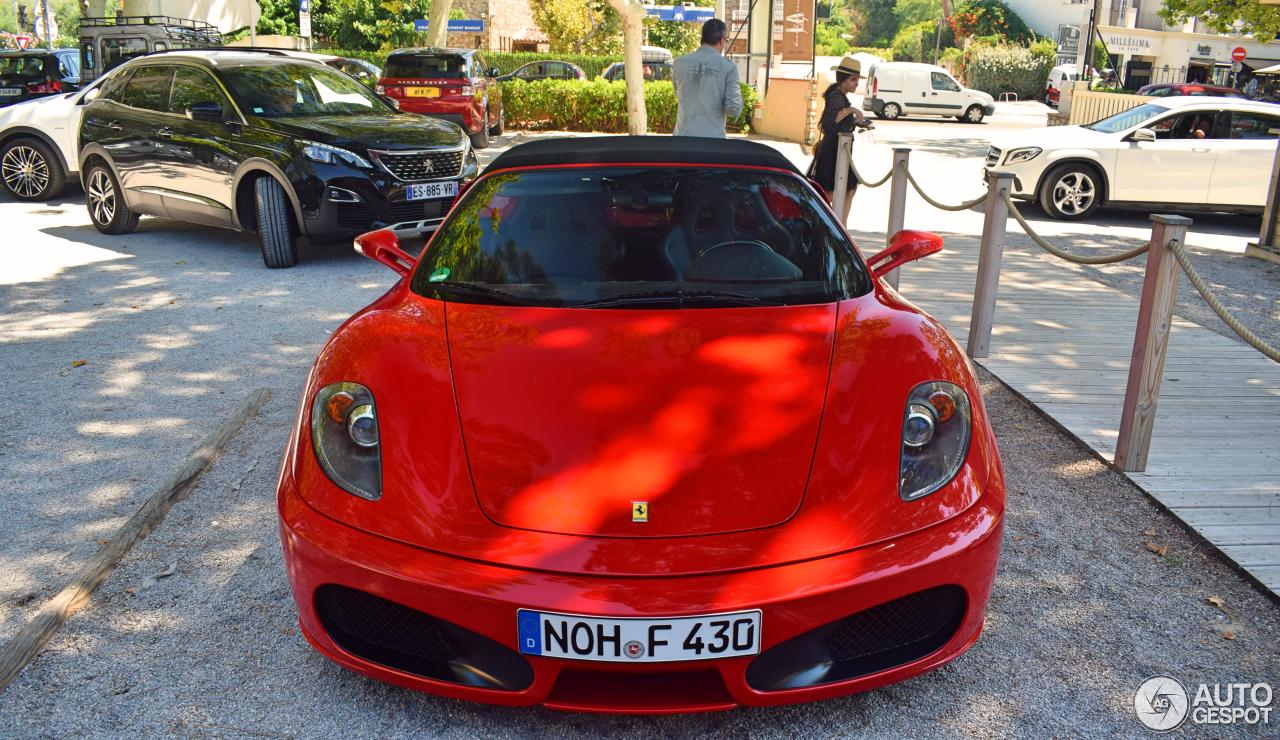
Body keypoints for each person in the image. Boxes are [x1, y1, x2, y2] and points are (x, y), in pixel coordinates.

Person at [809, 56, 867, 215]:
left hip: (838, 149)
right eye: (853, 80)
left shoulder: (838, 95)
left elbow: (835, 121)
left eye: (857, 80)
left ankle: (839, 224)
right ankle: (835, 224)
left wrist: (855, 122)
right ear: (843, 79)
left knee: (847, 189)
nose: (856, 83)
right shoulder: (836, 96)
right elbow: (832, 121)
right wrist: (853, 110)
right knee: (830, 192)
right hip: (833, 150)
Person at [672, 18, 743, 138]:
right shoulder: (728, 67)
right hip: (712, 142)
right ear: (721, 40)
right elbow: (733, 108)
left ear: (702, 38)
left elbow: (678, 91)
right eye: (726, 40)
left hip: (681, 138)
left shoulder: (679, 63)